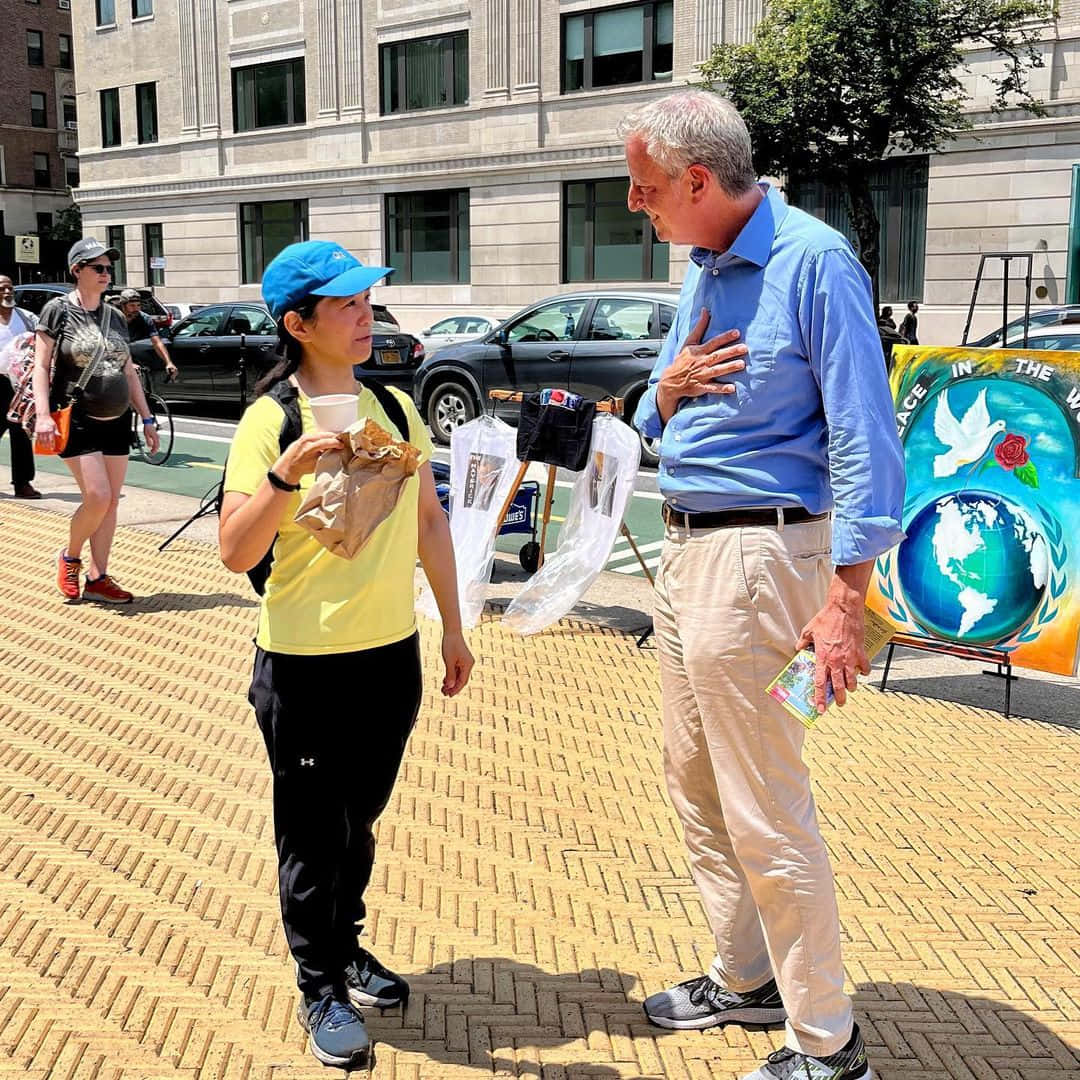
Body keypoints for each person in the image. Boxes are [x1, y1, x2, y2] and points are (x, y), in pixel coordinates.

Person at [621, 91, 904, 1080]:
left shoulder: (815, 263)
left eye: (645, 187)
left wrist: (846, 604)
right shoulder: (705, 266)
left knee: (766, 806)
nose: (634, 203)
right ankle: (747, 978)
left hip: (759, 564)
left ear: (698, 180)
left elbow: (866, 435)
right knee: (695, 780)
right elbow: (658, 416)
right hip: (688, 556)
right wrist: (662, 395)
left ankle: (827, 1044)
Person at [218, 240, 474, 1071]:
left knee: (358, 822)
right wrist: (284, 478)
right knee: (310, 834)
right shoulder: (271, 422)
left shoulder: (393, 407)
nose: (368, 317)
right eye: (348, 306)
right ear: (299, 324)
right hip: (303, 665)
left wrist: (453, 627)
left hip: (389, 657)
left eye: (368, 301)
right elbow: (233, 549)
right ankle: (319, 983)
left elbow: (429, 521)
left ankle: (345, 942)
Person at [32, 237, 161, 603]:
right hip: (78, 417)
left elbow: (129, 371)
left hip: (117, 419)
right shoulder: (57, 310)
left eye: (108, 268)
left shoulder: (115, 316)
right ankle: (70, 557)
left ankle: (98, 577)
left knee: (111, 502)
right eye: (98, 268)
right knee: (98, 497)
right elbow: (41, 365)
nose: (106, 274)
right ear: (77, 270)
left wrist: (147, 418)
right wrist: (43, 415)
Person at [0, 274, 41, 497]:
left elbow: (43, 341)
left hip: (20, 384)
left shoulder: (27, 318)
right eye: (2, 289)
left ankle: (22, 483)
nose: (7, 292)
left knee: (21, 431)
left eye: (10, 288)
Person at [114, 287, 178, 380]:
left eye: (138, 305)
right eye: (132, 305)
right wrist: (128, 364)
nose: (136, 309)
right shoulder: (113, 318)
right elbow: (110, 345)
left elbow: (157, 342)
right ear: (123, 306)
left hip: (131, 354)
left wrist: (168, 362)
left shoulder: (145, 318)